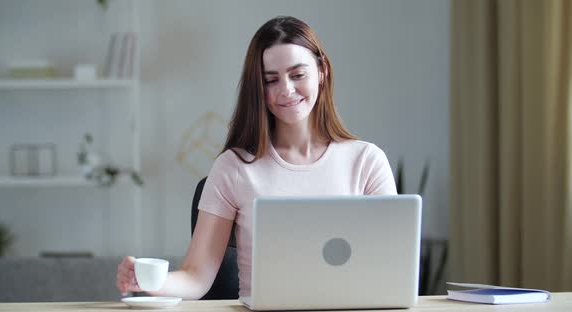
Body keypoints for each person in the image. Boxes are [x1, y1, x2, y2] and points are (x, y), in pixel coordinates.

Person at [116, 16, 397, 300]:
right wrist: (149, 282)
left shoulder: (367, 162)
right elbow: (196, 277)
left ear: (322, 71)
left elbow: (390, 268)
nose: (286, 90)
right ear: (258, 89)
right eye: (271, 80)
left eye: (297, 75)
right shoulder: (234, 167)